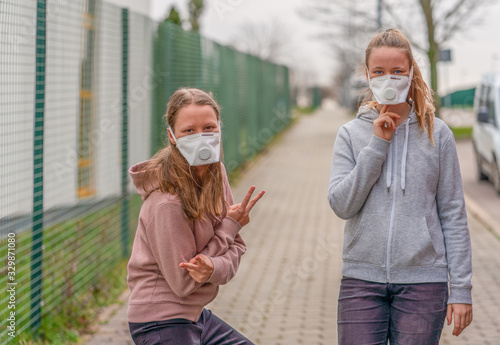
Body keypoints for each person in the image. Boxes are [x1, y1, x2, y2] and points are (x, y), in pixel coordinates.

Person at [328, 28, 473, 345]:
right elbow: (341, 205)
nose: (388, 79)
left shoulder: (439, 134)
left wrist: (461, 289)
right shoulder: (350, 134)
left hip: (424, 283)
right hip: (361, 281)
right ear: (367, 75)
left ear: (410, 74)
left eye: (397, 71)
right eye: (379, 71)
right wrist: (378, 145)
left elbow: (453, 214)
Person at [127, 87, 264, 344]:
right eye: (189, 131)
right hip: (159, 320)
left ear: (220, 128)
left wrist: (213, 267)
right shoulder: (165, 201)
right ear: (172, 136)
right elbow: (184, 282)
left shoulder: (216, 173)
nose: (201, 137)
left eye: (209, 128)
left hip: (193, 315)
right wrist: (229, 228)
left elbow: (236, 247)